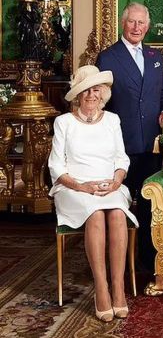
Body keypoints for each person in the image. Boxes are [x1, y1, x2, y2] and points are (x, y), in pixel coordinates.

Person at [48, 65, 138, 322]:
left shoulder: (112, 120)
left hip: (110, 186)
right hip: (73, 187)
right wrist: (82, 186)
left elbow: (121, 158)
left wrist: (116, 181)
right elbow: (56, 166)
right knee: (96, 213)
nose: (91, 95)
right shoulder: (64, 122)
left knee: (117, 213)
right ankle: (101, 288)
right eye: (85, 90)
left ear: (103, 93)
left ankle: (118, 288)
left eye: (96, 90)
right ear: (78, 95)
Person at [96, 2, 163, 271]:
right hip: (120, 143)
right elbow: (101, 101)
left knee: (149, 202)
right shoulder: (108, 57)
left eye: (141, 23)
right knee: (118, 202)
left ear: (147, 26)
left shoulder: (155, 56)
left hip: (150, 142)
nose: (136, 27)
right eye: (132, 21)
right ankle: (117, 260)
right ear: (123, 23)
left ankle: (148, 259)